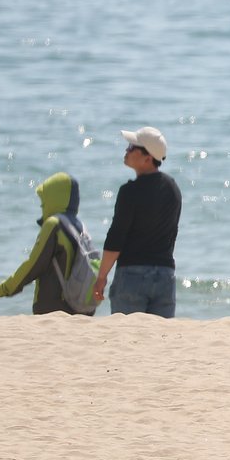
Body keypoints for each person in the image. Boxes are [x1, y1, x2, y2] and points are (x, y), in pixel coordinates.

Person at [91, 126, 182, 317]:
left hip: (132, 276)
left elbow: (116, 237)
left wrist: (101, 277)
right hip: (165, 275)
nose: (127, 150)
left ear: (148, 158)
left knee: (126, 339)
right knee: (161, 340)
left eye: (132, 147)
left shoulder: (130, 192)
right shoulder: (173, 188)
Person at [0, 172, 96, 315]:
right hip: (80, 306)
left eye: (44, 200)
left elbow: (33, 266)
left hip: (54, 308)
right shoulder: (79, 226)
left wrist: (2, 290)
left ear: (54, 197)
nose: (42, 205)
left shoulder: (53, 225)